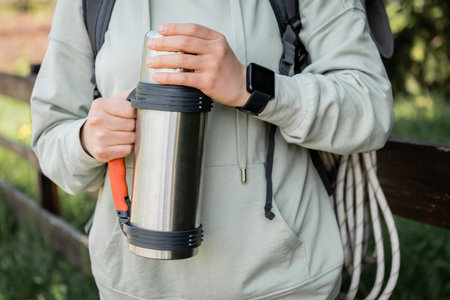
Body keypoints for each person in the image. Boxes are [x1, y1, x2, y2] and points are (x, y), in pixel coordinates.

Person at [31, 0, 394, 299]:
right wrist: (87, 140)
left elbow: (370, 108)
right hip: (134, 287)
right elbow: (51, 135)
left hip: (287, 284)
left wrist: (253, 88)